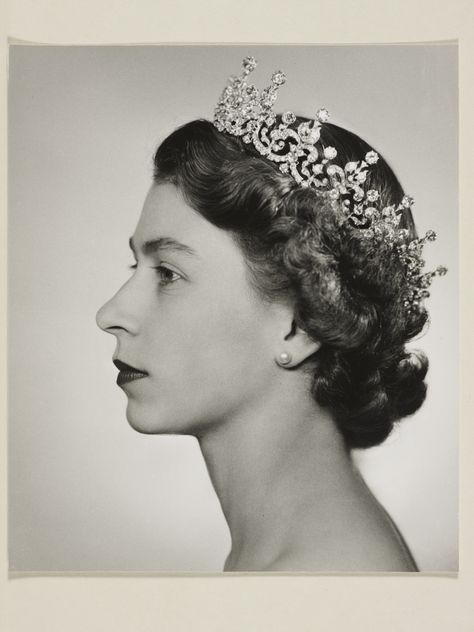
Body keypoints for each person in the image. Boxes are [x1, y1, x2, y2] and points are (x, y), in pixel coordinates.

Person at [96, 57, 446, 572]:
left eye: (167, 273)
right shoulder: (283, 556)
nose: (110, 313)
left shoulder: (323, 582)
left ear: (299, 324)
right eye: (136, 264)